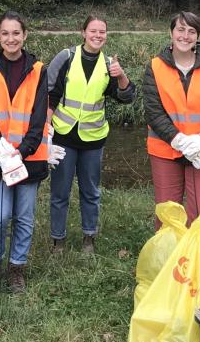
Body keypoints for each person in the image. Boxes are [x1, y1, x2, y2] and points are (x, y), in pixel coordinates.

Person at [46, 14, 135, 254]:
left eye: (102, 32)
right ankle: (58, 240)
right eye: (93, 31)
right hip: (63, 136)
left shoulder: (109, 64)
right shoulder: (66, 57)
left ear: (106, 36)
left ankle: (88, 238)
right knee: (60, 192)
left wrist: (121, 75)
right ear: (83, 32)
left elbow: (127, 97)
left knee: (91, 192)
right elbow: (49, 92)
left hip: (93, 139)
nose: (97, 36)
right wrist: (45, 128)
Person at [0, 11, 49, 293]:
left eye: (16, 33)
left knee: (25, 216)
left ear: (25, 35)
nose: (11, 39)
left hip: (30, 157)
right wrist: (4, 153)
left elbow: (39, 115)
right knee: (0, 215)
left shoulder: (39, 70)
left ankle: (17, 267)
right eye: (5, 33)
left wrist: (23, 150)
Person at [142, 11, 200, 229]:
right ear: (171, 33)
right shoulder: (155, 66)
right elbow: (153, 112)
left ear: (198, 36)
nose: (185, 35)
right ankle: (169, 260)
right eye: (180, 29)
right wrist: (181, 141)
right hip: (166, 151)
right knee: (168, 216)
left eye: (191, 31)